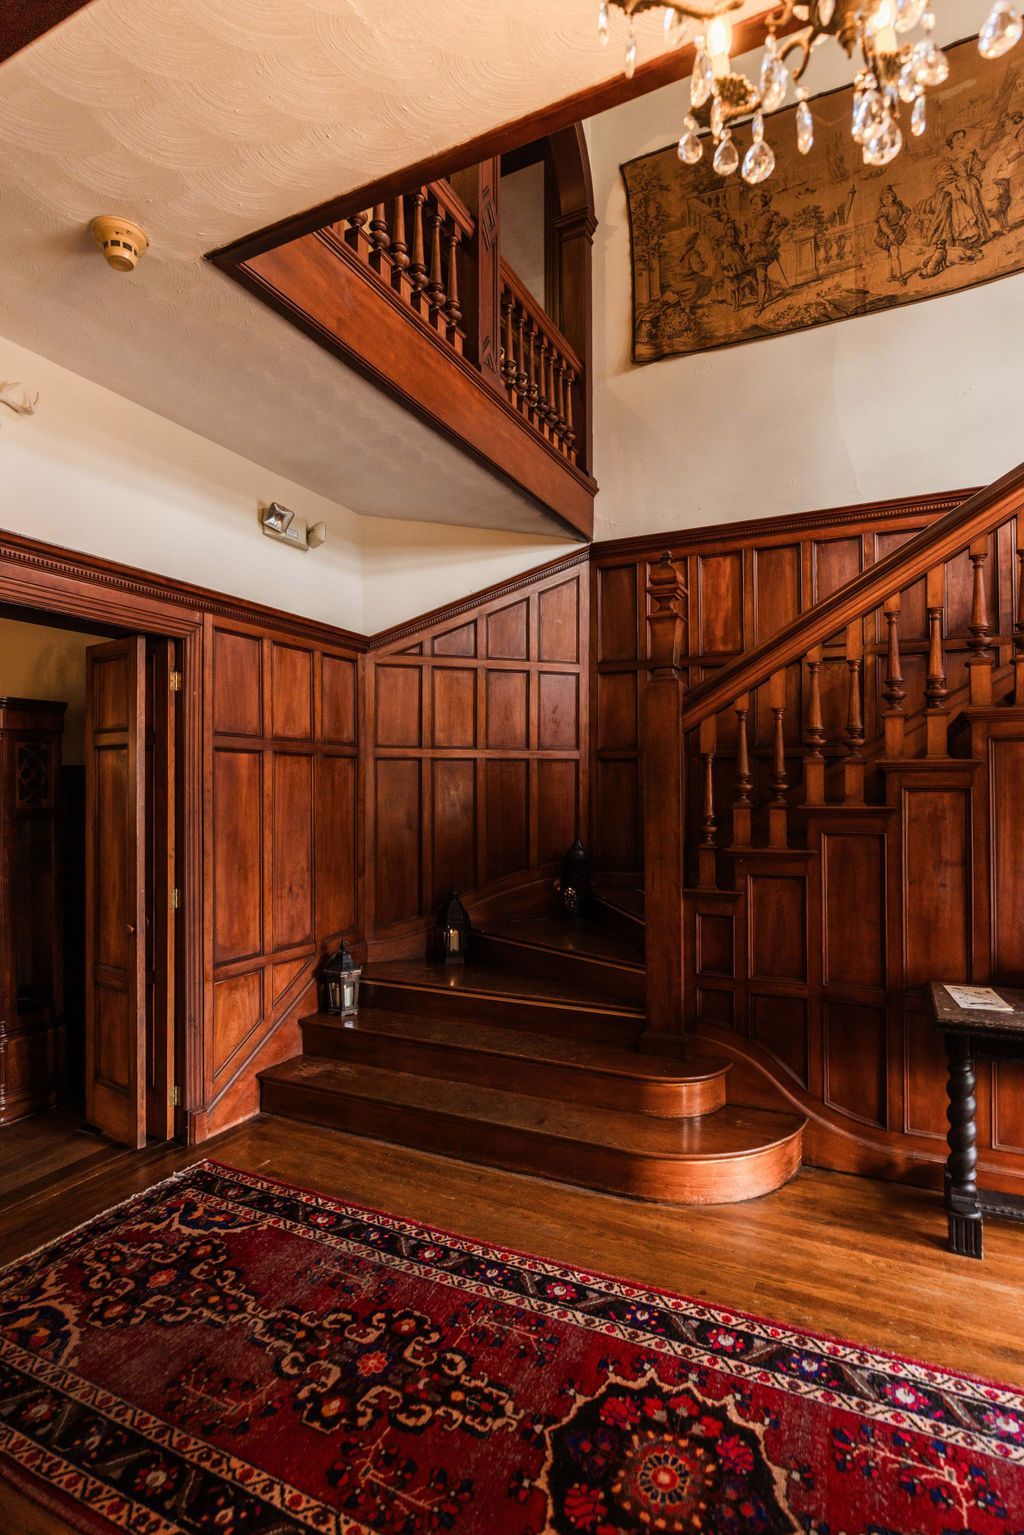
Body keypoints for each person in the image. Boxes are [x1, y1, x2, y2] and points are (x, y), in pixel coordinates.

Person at [746, 190, 789, 313]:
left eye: (756, 203)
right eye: (752, 204)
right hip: (753, 249)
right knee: (759, 276)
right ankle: (766, 295)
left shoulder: (769, 214)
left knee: (761, 276)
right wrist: (746, 241)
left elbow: (783, 222)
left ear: (763, 203)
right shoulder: (750, 219)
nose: (754, 206)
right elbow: (746, 234)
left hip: (762, 249)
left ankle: (761, 304)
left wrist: (773, 236)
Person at [874, 185, 911, 284]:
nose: (885, 200)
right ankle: (900, 276)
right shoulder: (882, 211)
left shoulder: (899, 205)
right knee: (894, 254)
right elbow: (883, 224)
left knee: (892, 255)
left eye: (887, 197)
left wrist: (903, 219)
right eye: (883, 198)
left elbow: (907, 211)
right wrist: (890, 233)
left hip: (898, 231)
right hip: (887, 234)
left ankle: (890, 276)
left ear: (893, 196)